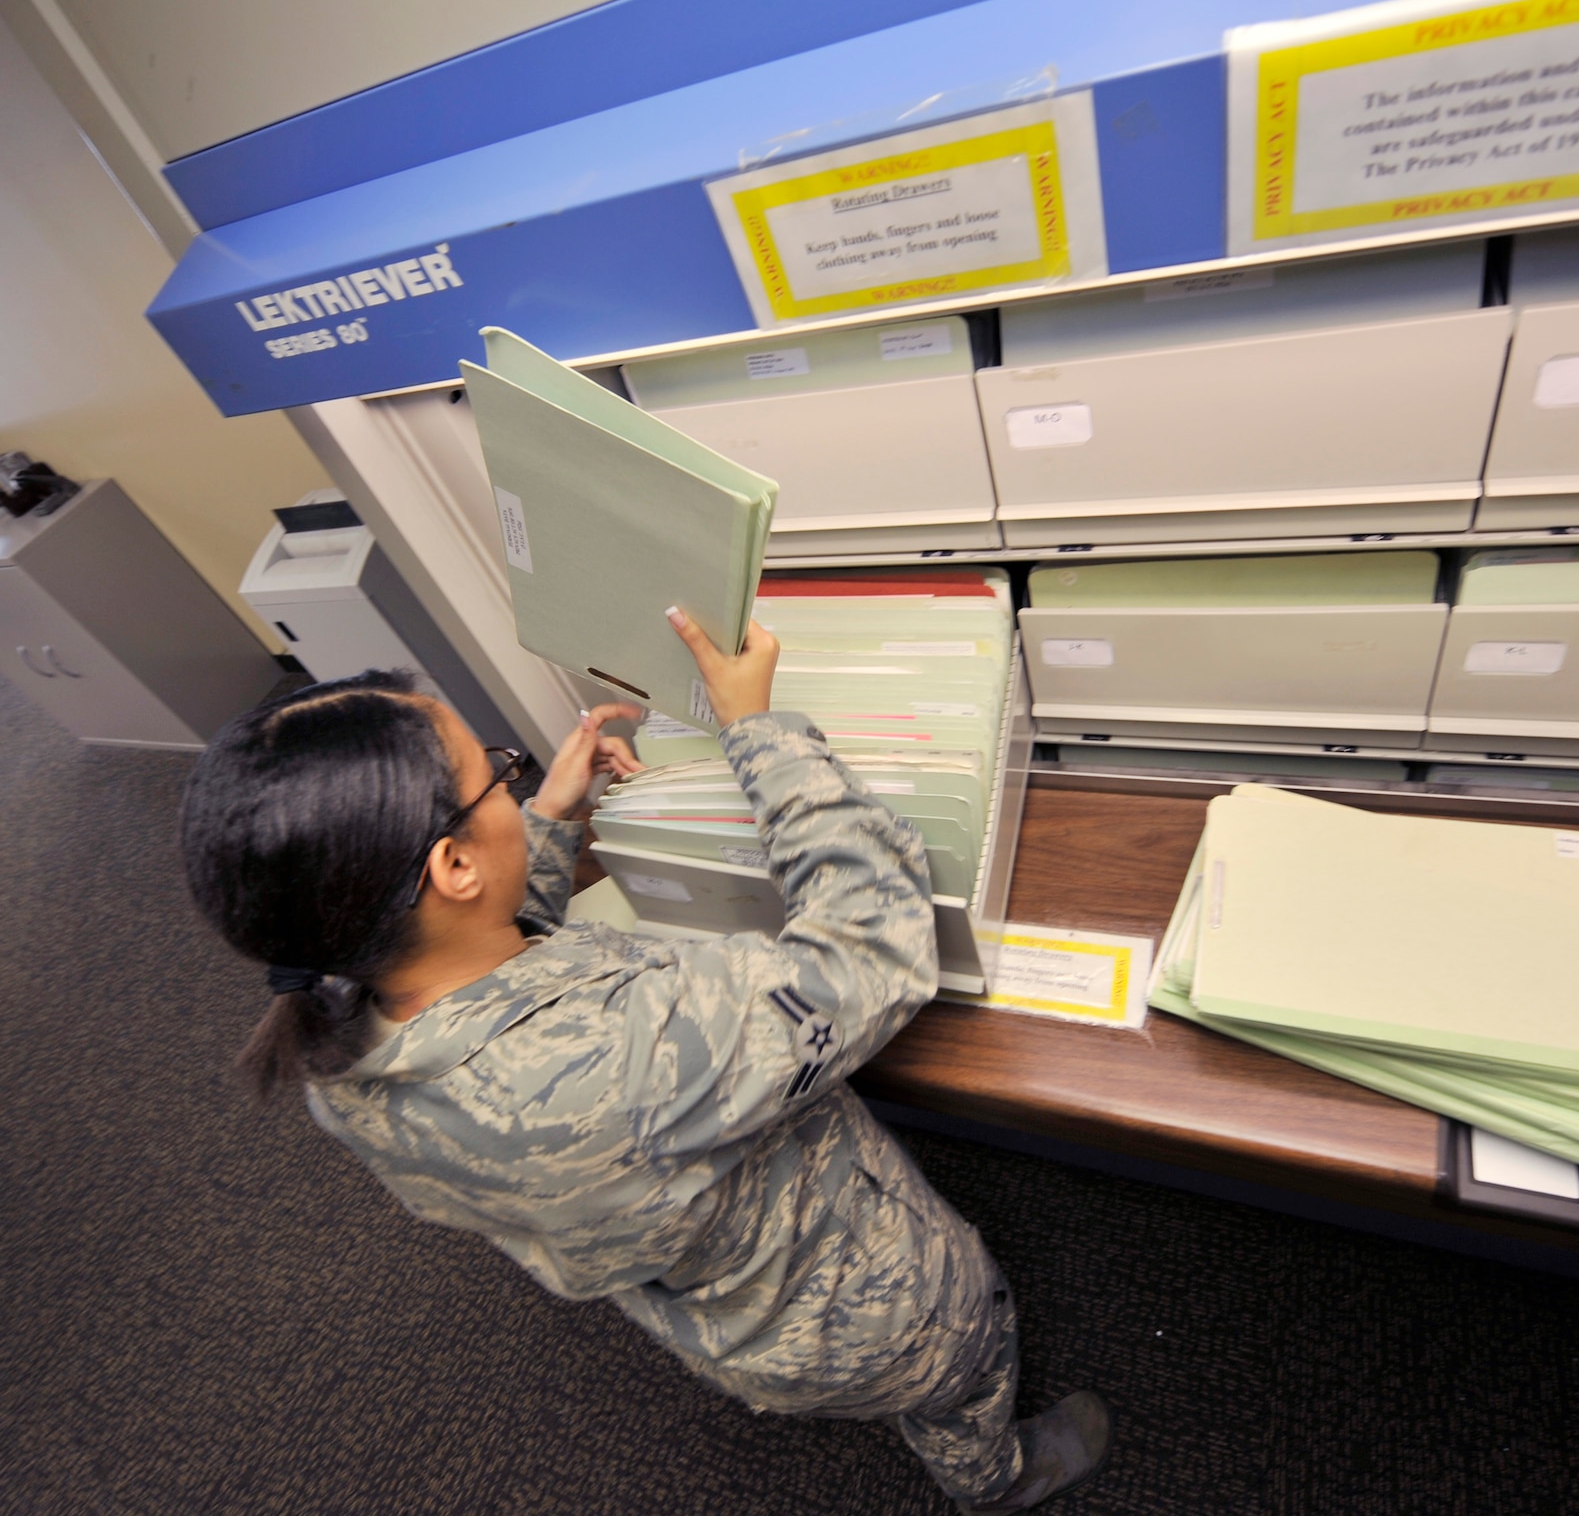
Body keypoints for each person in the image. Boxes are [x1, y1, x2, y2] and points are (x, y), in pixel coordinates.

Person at [179, 608, 1112, 1512]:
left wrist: (541, 822)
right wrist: (756, 727)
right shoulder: (633, 1054)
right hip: (870, 1307)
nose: (515, 781)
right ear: (454, 867)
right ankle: (995, 1478)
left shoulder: (337, 1045)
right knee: (963, 1363)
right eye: (495, 777)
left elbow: (475, 965)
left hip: (716, 1314)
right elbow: (872, 951)